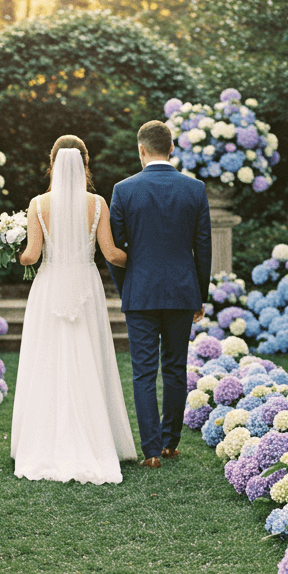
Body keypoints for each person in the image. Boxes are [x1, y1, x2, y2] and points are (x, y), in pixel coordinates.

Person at [10, 135, 137, 483]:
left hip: (50, 287)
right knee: (88, 357)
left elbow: (32, 256)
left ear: (51, 163)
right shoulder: (97, 204)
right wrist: (143, 255)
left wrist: (11, 248)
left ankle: (42, 440)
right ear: (85, 163)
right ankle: (96, 437)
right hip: (85, 286)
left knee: (47, 359)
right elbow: (112, 255)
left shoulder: (38, 204)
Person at [108, 119, 212, 469]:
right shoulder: (194, 188)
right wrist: (199, 293)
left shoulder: (123, 190)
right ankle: (170, 444)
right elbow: (204, 247)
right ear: (171, 148)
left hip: (140, 292)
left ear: (141, 149)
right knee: (175, 368)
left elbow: (116, 250)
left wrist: (128, 288)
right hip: (183, 291)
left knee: (142, 372)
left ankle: (151, 451)